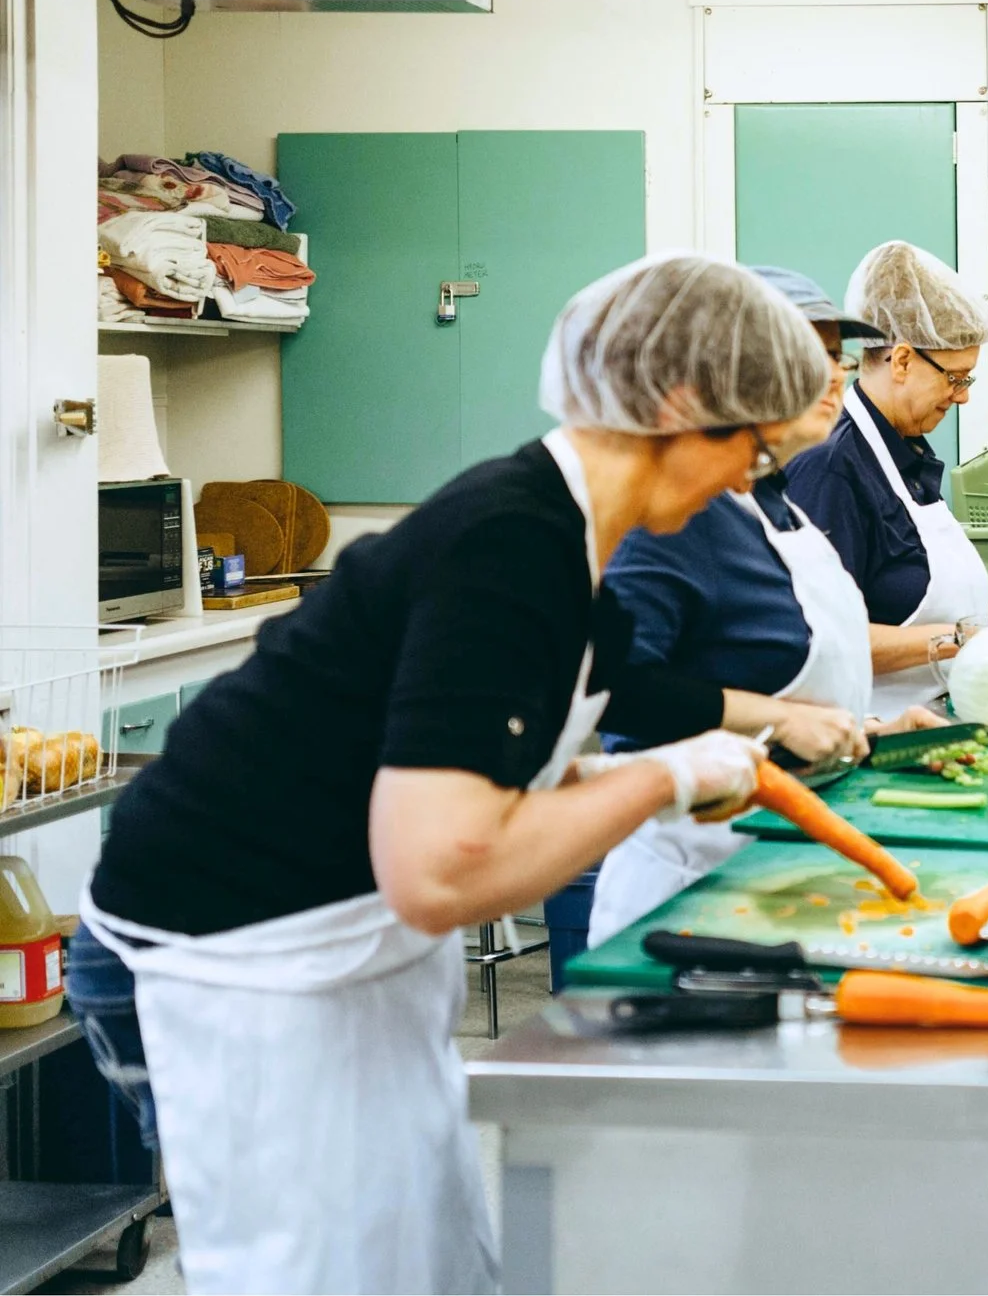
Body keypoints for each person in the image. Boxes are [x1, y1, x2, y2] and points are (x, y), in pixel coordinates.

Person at [65, 253, 835, 1293]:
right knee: (315, 1269)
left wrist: (751, 734)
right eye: (752, 443)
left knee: (419, 1254)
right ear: (677, 401)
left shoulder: (576, 562)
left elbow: (579, 730)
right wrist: (662, 782)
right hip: (226, 954)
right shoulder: (511, 542)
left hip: (347, 956)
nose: (753, 474)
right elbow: (441, 869)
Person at [588, 266, 946, 947]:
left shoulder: (778, 505)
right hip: (689, 888)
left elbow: (768, 678)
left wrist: (866, 735)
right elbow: (618, 692)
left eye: (836, 356)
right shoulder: (681, 516)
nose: (834, 376)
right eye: (805, 357)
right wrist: (779, 719)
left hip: (784, 864)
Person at [783, 241, 988, 715]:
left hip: (939, 713)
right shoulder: (832, 466)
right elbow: (822, 635)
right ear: (901, 361)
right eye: (955, 379)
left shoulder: (906, 450)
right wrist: (961, 639)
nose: (961, 397)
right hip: (877, 726)